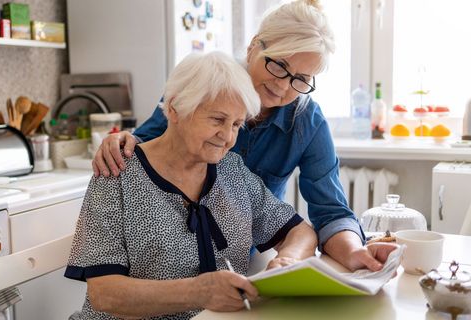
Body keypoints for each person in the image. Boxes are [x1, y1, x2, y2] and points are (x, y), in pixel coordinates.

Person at [91, 0, 398, 272]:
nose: (283, 86)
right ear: (254, 46)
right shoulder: (204, 85)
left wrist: (356, 252)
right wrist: (121, 140)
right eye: (279, 65)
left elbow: (330, 211)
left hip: (240, 260)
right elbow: (144, 148)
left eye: (301, 79)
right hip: (168, 260)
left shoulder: (307, 122)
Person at [65, 51, 317, 319]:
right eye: (218, 120)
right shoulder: (117, 172)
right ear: (174, 108)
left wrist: (286, 261)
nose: (227, 137)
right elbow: (104, 293)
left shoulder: (232, 170)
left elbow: (301, 232)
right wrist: (199, 292)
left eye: (236, 124)